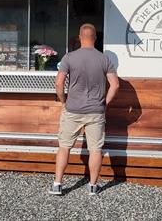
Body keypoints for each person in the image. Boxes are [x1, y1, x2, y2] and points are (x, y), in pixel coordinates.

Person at [49, 23, 119, 196]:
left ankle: (58, 185)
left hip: (73, 110)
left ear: (80, 37)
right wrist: (104, 103)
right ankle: (93, 187)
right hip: (96, 110)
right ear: (95, 38)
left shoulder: (69, 57)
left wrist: (63, 101)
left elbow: (59, 83)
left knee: (64, 147)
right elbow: (115, 85)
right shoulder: (104, 59)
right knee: (96, 149)